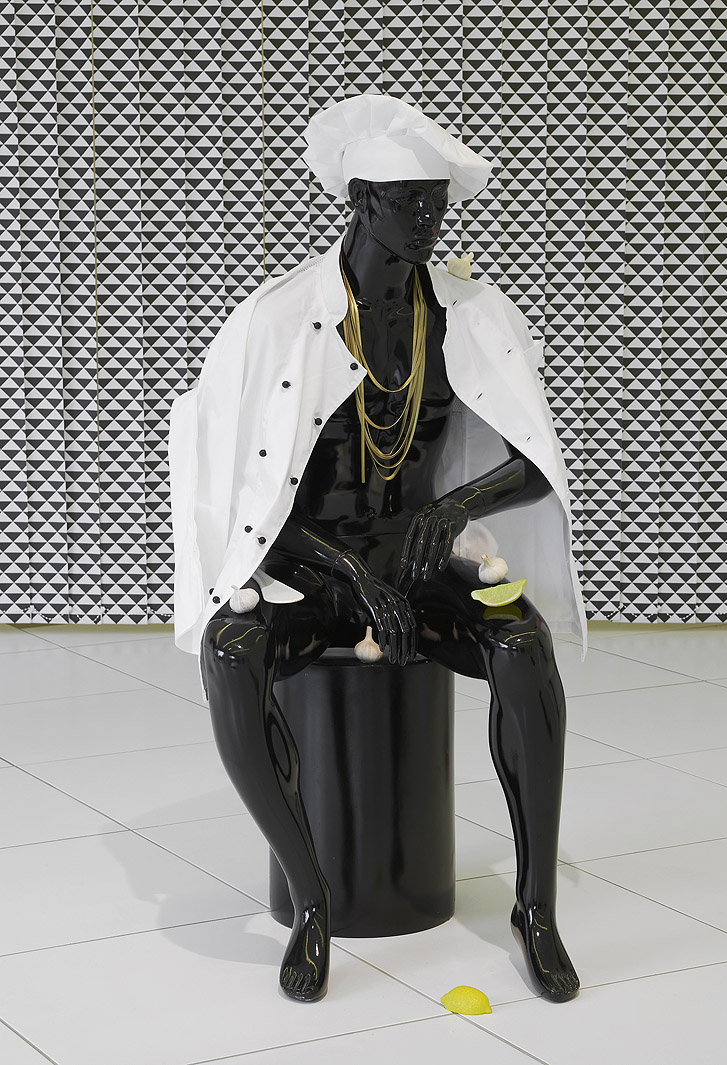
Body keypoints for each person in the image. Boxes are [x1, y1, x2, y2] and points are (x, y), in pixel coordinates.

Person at [172, 93, 587, 1004]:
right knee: (231, 652)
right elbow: (246, 495)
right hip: (312, 569)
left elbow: (538, 459)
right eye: (408, 203)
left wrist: (461, 504)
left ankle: (536, 908)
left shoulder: (471, 314)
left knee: (523, 645)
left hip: (422, 566)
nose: (429, 220)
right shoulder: (278, 321)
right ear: (361, 201)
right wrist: (351, 572)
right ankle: (312, 901)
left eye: (437, 202)